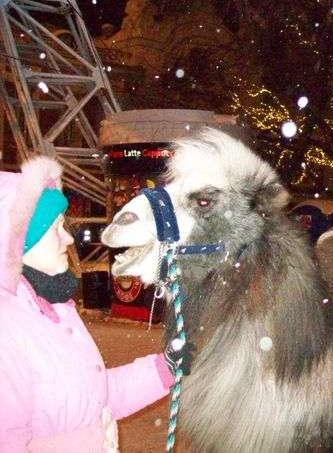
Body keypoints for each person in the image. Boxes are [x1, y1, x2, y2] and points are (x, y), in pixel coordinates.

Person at [0, 156, 192, 452]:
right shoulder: (7, 329)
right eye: (55, 228)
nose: (67, 239)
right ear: (20, 243)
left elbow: (95, 400)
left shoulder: (54, 311)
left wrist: (163, 367)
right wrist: (90, 443)